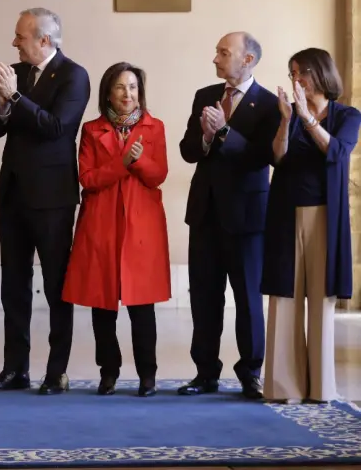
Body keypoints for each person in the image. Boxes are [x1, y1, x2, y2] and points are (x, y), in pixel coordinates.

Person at [0, 7, 89, 394]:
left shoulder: (74, 75)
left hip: (52, 197)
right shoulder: (18, 72)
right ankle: (15, 369)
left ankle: (56, 370)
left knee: (57, 284)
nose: (14, 43)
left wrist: (16, 97)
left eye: (20, 37)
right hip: (13, 193)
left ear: (44, 40)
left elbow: (57, 129)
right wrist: (4, 103)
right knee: (14, 286)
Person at [178, 31, 280, 400]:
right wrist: (205, 138)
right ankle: (205, 373)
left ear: (248, 60)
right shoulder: (205, 96)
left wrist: (223, 131)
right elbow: (188, 150)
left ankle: (251, 372)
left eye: (224, 52)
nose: (216, 59)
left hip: (247, 217)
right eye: (217, 52)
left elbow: (262, 157)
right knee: (204, 297)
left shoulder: (268, 104)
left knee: (249, 298)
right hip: (205, 213)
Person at [61, 62, 170, 397]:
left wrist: (137, 161)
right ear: (108, 91)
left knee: (142, 306)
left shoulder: (154, 128)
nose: (128, 94)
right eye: (121, 87)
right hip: (101, 224)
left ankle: (147, 376)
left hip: (141, 226)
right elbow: (88, 179)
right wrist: (122, 163)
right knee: (102, 305)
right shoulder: (92, 130)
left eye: (134, 87)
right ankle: (108, 372)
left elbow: (158, 175)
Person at [262, 48, 360, 403]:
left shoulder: (347, 115)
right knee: (285, 298)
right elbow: (277, 157)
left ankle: (321, 388)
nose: (295, 80)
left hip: (325, 216)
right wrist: (288, 120)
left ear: (319, 74)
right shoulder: (288, 115)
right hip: (287, 213)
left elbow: (336, 152)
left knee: (321, 300)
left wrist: (306, 116)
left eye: (301, 72)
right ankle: (283, 387)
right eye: (292, 73)